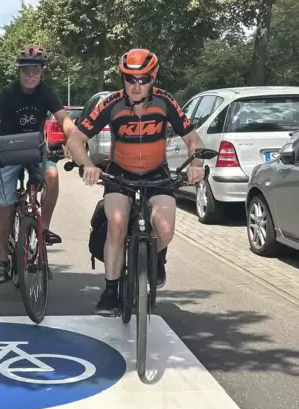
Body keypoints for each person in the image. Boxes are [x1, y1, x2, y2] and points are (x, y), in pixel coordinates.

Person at [66, 48, 205, 314]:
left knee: (164, 230)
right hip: (120, 174)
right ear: (122, 79)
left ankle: (156, 256)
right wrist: (88, 165)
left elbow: (192, 140)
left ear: (153, 77)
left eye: (143, 79)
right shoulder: (111, 103)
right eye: (130, 79)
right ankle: (110, 290)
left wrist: (196, 164)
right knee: (116, 224)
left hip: (156, 174)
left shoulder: (165, 102)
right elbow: (75, 140)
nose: (136, 85)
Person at [0, 43, 77, 284]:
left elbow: (64, 120)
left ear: (42, 71)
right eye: (26, 71)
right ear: (19, 71)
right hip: (9, 151)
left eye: (36, 71)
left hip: (36, 150)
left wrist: (73, 141)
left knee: (52, 178)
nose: (31, 76)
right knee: (5, 203)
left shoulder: (46, 92)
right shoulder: (8, 93)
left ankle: (42, 228)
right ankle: (3, 258)